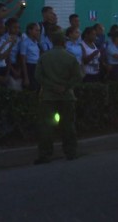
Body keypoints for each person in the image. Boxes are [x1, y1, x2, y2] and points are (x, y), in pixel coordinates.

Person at [33, 31, 83, 164]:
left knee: (47, 127)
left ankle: (45, 154)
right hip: (66, 97)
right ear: (63, 42)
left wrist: (51, 86)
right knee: (68, 126)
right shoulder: (70, 57)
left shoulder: (44, 57)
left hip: (48, 97)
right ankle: (70, 152)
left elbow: (38, 76)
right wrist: (65, 87)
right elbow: (78, 76)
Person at [20, 23, 42, 91]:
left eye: (39, 30)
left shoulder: (36, 42)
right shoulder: (25, 43)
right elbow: (23, 60)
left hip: (37, 66)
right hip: (30, 67)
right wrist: (26, 77)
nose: (38, 32)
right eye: (36, 30)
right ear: (30, 31)